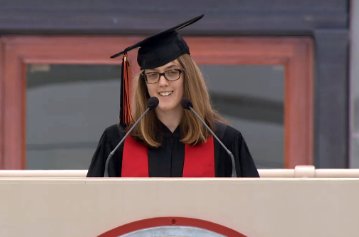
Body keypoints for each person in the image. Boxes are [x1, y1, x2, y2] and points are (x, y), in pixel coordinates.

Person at [87, 15, 259, 177]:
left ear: (188, 76)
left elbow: (254, 200)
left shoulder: (224, 141)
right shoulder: (117, 141)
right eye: (153, 74)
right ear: (144, 83)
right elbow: (91, 201)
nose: (162, 83)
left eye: (171, 72)